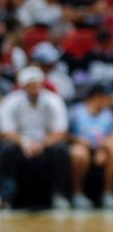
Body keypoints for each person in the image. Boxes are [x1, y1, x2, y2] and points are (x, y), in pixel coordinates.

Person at [0, 66, 70, 209]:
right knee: (6, 150)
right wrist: (25, 143)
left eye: (36, 85)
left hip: (46, 144)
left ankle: (59, 195)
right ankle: (6, 196)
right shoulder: (11, 100)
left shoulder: (54, 100)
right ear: (23, 86)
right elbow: (6, 131)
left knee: (61, 150)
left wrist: (41, 145)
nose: (34, 89)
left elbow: (60, 131)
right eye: (30, 86)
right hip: (20, 144)